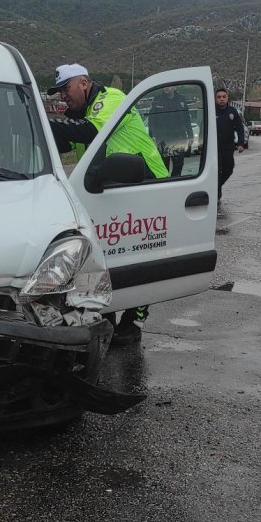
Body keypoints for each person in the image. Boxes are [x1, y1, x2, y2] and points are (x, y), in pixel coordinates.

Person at [47, 63, 165, 345]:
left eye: (66, 88)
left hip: (146, 183)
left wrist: (46, 123)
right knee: (106, 255)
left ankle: (132, 322)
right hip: (109, 189)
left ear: (84, 83)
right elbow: (62, 144)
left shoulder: (109, 99)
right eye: (58, 91)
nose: (62, 95)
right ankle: (106, 312)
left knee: (141, 255)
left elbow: (89, 133)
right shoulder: (80, 113)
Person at [148, 86, 193, 177]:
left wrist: (190, 135)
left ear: (175, 88)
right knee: (163, 167)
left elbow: (187, 119)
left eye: (169, 86)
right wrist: (152, 135)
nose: (166, 88)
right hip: (163, 139)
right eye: (165, 86)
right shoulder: (157, 100)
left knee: (178, 165)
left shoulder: (181, 100)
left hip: (178, 138)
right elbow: (151, 120)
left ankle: (175, 183)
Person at [214, 87, 247, 200]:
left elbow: (240, 128)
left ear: (228, 98)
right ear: (215, 99)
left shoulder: (232, 112)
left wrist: (240, 143)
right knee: (217, 171)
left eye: (224, 97)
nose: (221, 99)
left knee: (229, 168)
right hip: (214, 148)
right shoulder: (211, 111)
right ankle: (216, 195)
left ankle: (216, 187)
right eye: (219, 97)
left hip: (228, 147)